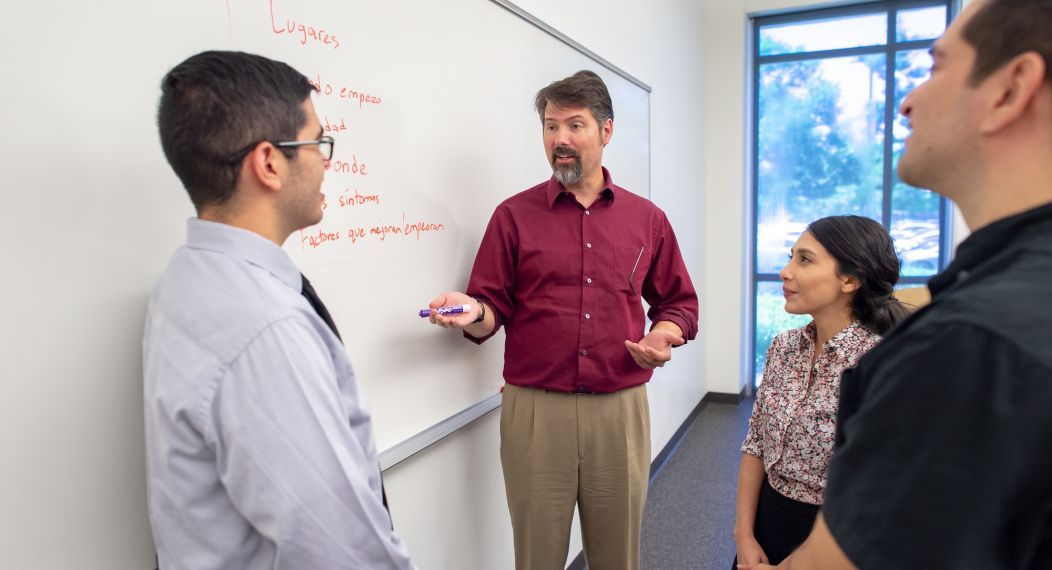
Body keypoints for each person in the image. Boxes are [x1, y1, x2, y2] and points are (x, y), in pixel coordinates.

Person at [741, 0, 1052, 567]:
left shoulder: (969, 343)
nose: (907, 102)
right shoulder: (1002, 303)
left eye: (936, 68)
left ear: (1011, 89)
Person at [143, 51, 414, 569]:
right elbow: (339, 552)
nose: (325, 161)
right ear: (269, 162)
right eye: (318, 143)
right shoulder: (265, 329)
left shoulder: (187, 278)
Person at [424, 70, 699, 570]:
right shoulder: (512, 216)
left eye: (575, 125)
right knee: (537, 555)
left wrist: (663, 334)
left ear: (606, 131)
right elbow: (489, 313)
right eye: (551, 127)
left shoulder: (648, 220)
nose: (560, 140)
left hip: (619, 409)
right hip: (534, 412)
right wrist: (472, 312)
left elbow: (679, 303)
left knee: (618, 556)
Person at [733, 215, 908, 568]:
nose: (785, 271)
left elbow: (881, 493)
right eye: (790, 256)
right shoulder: (784, 348)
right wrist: (743, 535)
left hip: (836, 543)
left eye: (805, 259)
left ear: (850, 279)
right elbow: (756, 444)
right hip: (766, 522)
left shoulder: (880, 364)